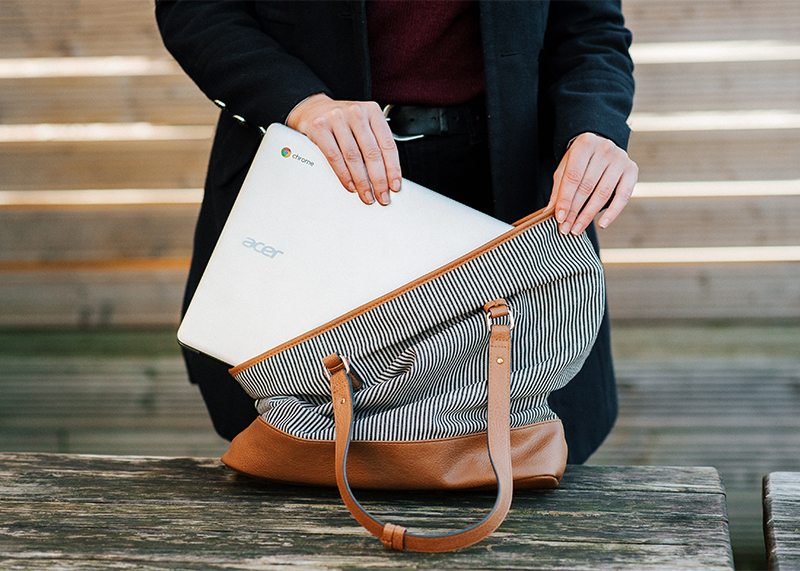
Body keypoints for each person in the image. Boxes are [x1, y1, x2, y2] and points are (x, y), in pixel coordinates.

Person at [156, 0, 637, 464]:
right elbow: (197, 9)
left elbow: (589, 29)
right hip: (319, 167)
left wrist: (596, 126)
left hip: (502, 192)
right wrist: (300, 102)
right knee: (290, 450)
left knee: (527, 444)